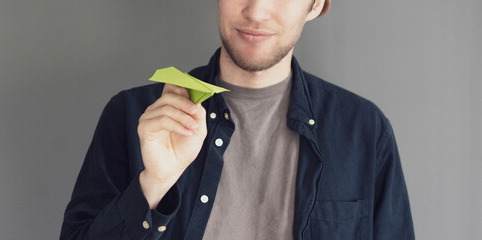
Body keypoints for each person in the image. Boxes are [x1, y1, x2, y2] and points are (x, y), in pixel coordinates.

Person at [60, 0, 415, 239]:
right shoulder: (132, 115)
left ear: (317, 5)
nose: (256, 12)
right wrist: (154, 185)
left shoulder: (365, 130)